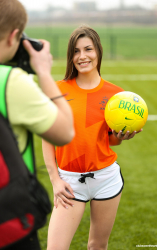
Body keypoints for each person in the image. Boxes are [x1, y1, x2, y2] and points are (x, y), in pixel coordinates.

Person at [42, 26, 142, 250]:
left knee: (98, 246)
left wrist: (121, 137)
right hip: (69, 182)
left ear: (98, 51)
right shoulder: (57, 90)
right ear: (71, 56)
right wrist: (55, 179)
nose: (82, 56)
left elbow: (107, 140)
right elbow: (47, 137)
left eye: (88, 49)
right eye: (76, 51)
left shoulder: (117, 95)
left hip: (105, 179)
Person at [0, 0, 75, 249]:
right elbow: (65, 132)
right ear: (13, 37)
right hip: (8, 216)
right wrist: (43, 72)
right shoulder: (11, 81)